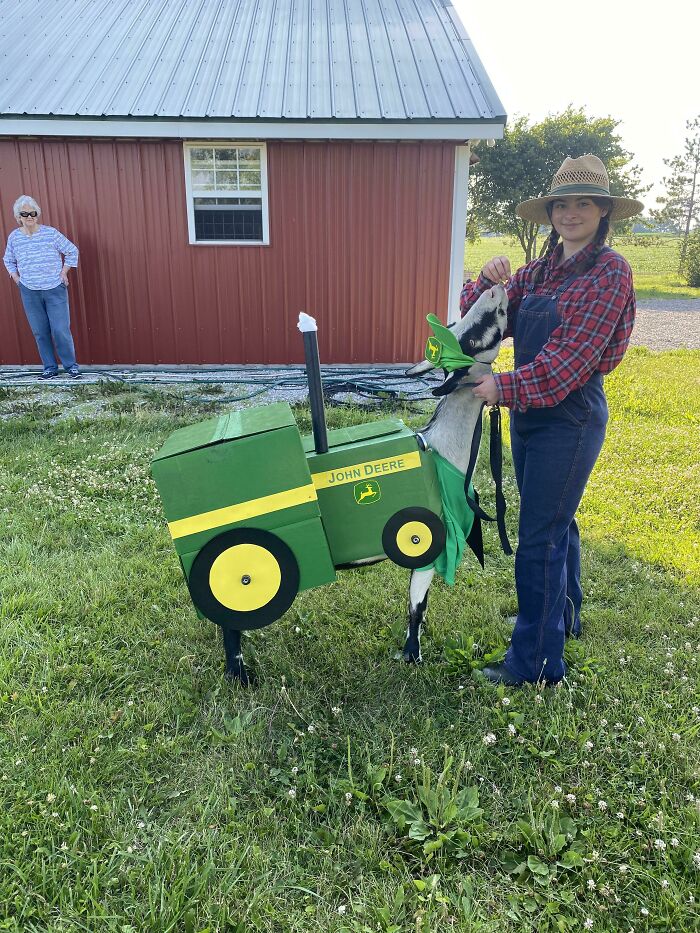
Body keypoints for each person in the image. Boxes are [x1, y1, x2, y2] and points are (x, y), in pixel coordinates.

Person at [461, 154, 643, 686]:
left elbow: (568, 364)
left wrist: (500, 387)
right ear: (550, 212)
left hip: (571, 416)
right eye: (562, 203)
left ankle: (538, 664)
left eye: (583, 203)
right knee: (558, 518)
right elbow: (485, 318)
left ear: (603, 211)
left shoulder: (611, 273)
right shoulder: (540, 269)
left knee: (540, 534)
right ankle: (562, 618)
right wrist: (486, 280)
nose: (571, 212)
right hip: (530, 415)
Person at [3, 195, 81, 379]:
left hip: (54, 288)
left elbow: (72, 250)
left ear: (37, 214)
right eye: (25, 213)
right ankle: (50, 367)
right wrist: (16, 278)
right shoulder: (14, 237)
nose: (29, 216)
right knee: (40, 331)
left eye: (33, 213)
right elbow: (8, 259)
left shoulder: (50, 233)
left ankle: (71, 366)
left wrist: (64, 272)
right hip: (29, 291)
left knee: (60, 329)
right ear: (18, 217)